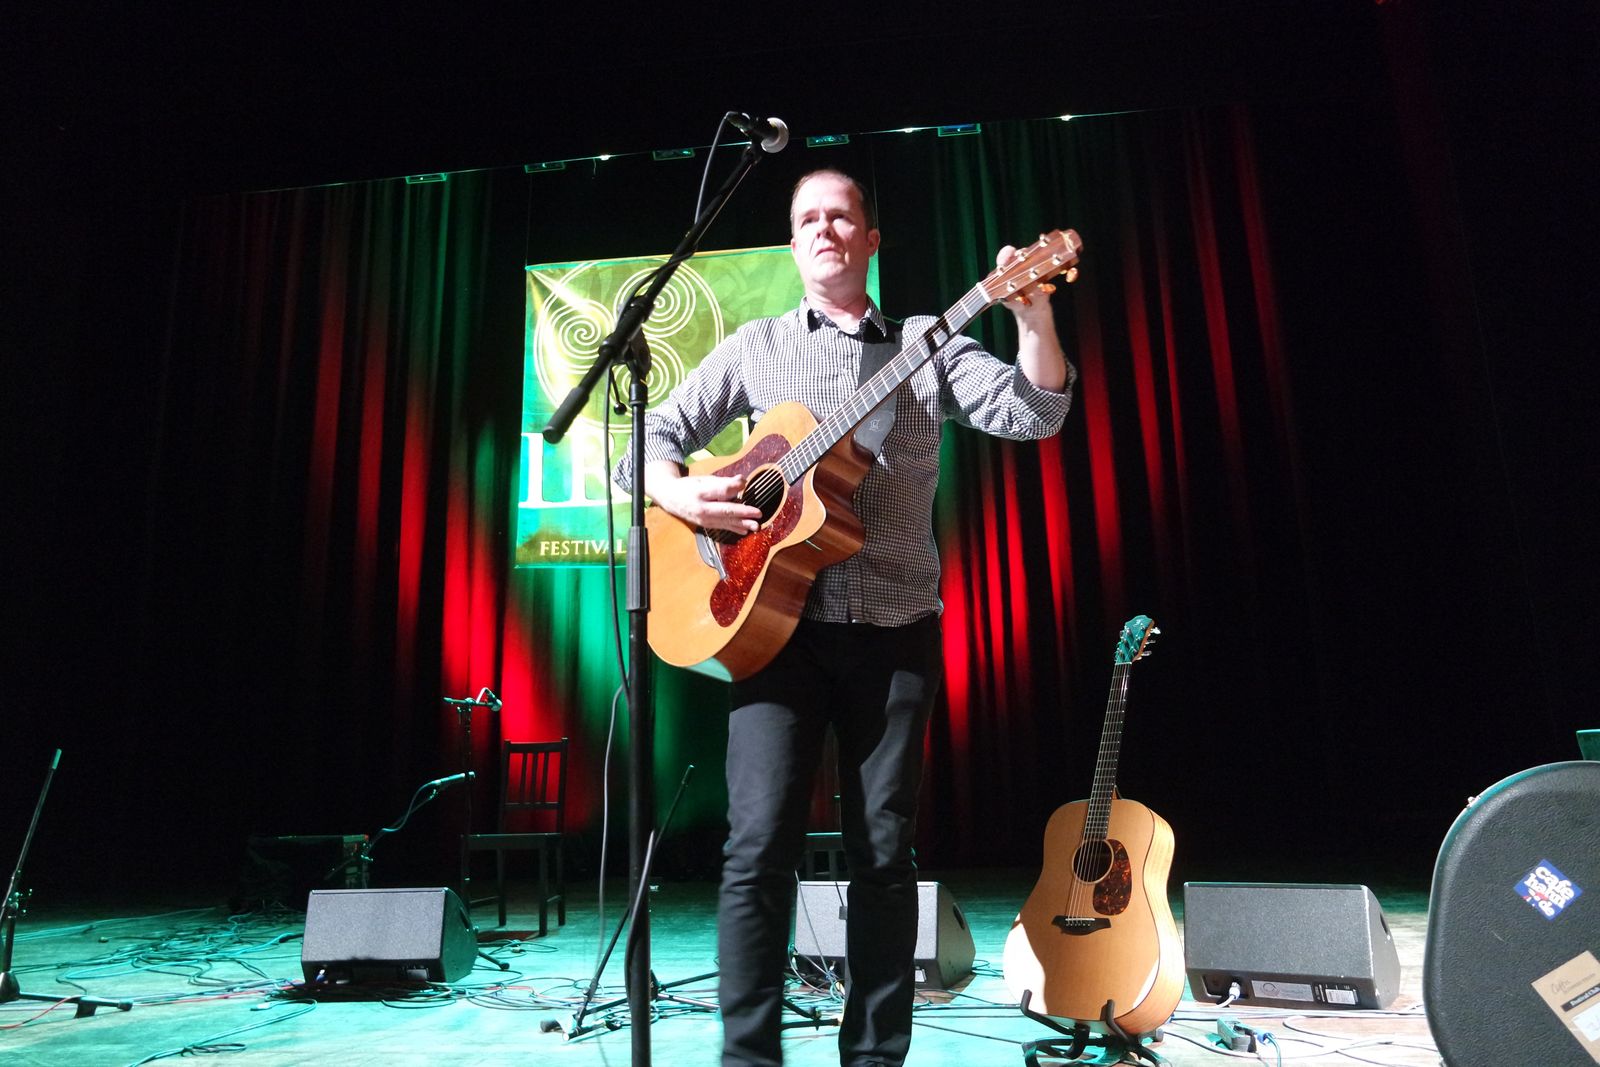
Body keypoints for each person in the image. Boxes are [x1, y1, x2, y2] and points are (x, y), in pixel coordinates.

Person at [615, 169, 1075, 1067]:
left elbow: (1035, 413)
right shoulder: (755, 346)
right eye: (808, 219)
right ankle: (749, 1057)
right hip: (770, 632)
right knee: (756, 851)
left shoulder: (927, 342)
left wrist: (1032, 318)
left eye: (841, 216)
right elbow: (651, 438)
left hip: (894, 627)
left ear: (871, 239)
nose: (824, 229)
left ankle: (872, 1057)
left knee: (883, 854)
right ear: (793, 245)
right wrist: (685, 494)